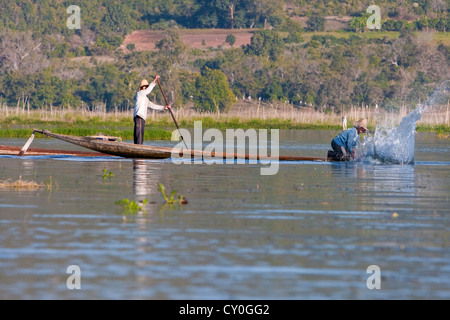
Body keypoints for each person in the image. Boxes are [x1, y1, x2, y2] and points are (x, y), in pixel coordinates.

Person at [133, 75, 171, 145]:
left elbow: (153, 106)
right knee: (138, 134)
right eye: (144, 87)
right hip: (139, 117)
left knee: (140, 134)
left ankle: (139, 147)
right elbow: (148, 91)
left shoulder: (145, 99)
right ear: (142, 87)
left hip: (143, 118)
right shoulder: (139, 94)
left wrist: (163, 107)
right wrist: (154, 80)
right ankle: (138, 147)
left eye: (146, 87)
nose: (145, 88)